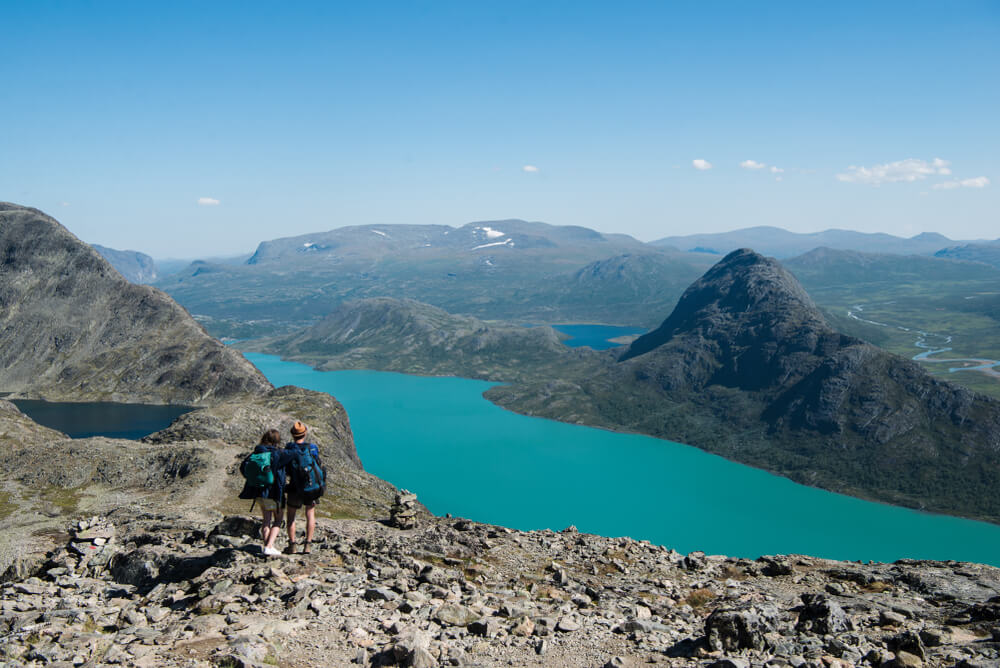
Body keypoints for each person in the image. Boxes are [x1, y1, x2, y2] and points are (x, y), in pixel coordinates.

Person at [239, 429, 296, 557]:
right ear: (276, 441)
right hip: (274, 493)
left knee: (266, 520)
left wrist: (255, 479)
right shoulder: (278, 454)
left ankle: (267, 546)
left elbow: (243, 468)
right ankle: (269, 546)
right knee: (278, 520)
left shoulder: (255, 453)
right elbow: (294, 453)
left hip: (259, 491)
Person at [284, 420, 326, 554]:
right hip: (310, 487)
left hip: (295, 487)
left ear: (292, 434)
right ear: (305, 433)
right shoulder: (312, 448)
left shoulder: (289, 449)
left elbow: (286, 468)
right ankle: (308, 544)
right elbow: (318, 464)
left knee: (291, 516)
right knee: (310, 514)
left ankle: (292, 545)